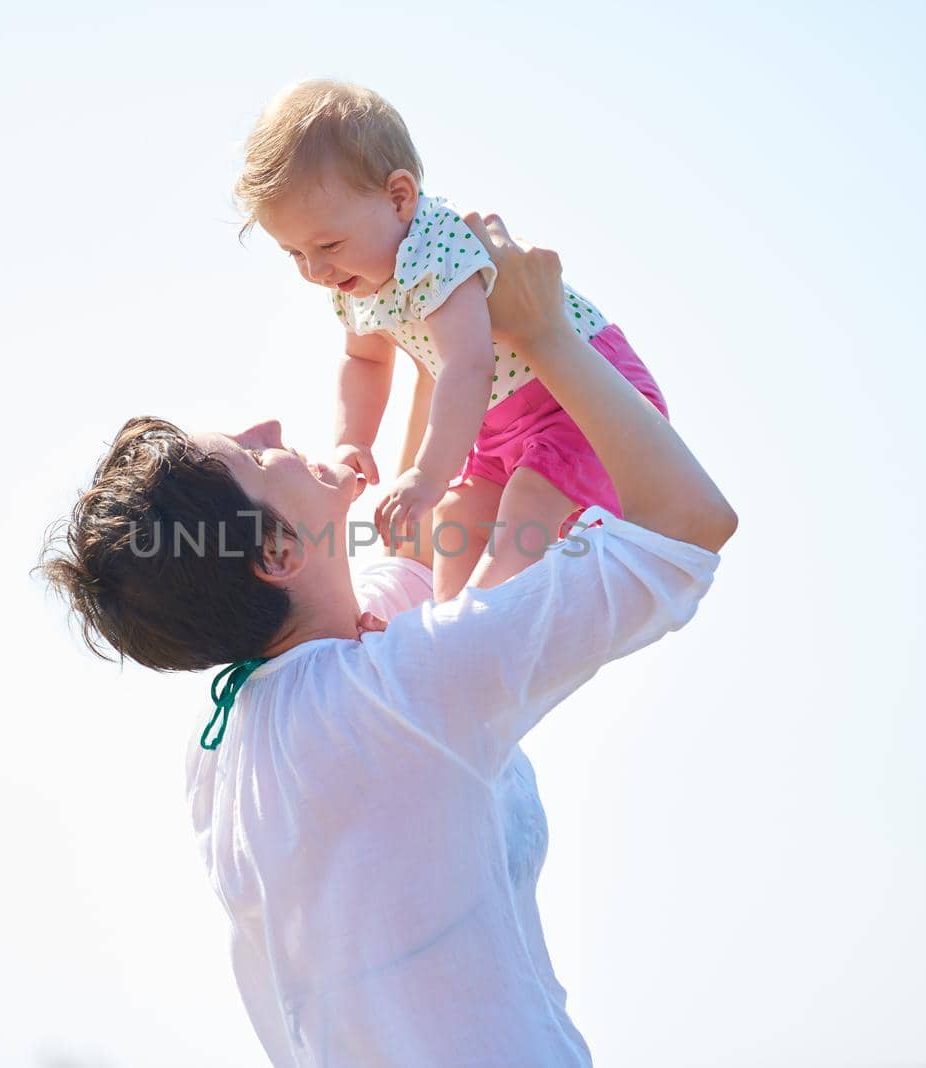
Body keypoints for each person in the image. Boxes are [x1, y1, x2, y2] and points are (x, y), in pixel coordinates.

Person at [39, 214, 736, 1066]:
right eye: (255, 463)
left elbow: (413, 550)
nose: (267, 429)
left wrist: (438, 309)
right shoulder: (398, 694)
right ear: (277, 554)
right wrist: (549, 333)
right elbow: (690, 526)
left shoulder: (236, 735)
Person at [235, 79, 671, 602]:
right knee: (456, 518)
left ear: (399, 198)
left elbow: (467, 364)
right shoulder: (353, 277)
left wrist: (425, 473)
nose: (315, 269)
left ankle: (481, 627)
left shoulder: (435, 246)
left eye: (327, 244)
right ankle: (449, 632)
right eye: (295, 254)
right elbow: (364, 360)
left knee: (524, 511)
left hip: (577, 401)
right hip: (494, 424)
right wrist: (355, 439)